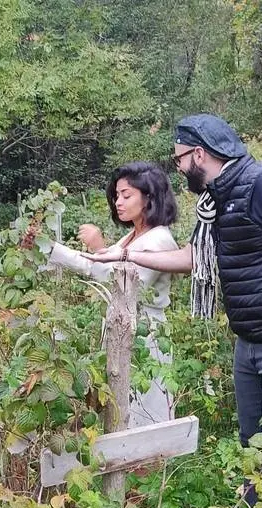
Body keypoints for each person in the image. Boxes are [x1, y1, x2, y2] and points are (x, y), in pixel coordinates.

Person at [86, 115, 262, 508]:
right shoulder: (216, 200)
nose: (179, 169)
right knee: (252, 452)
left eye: (180, 160)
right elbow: (195, 258)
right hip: (250, 342)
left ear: (199, 153)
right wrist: (125, 255)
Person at [44, 161, 180, 426]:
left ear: (149, 198)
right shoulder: (132, 237)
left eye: (127, 195)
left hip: (146, 333)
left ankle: (147, 464)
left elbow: (125, 283)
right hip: (122, 327)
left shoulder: (159, 239)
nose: (118, 202)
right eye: (117, 195)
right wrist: (48, 248)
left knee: (145, 403)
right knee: (121, 398)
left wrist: (98, 245)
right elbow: (92, 265)